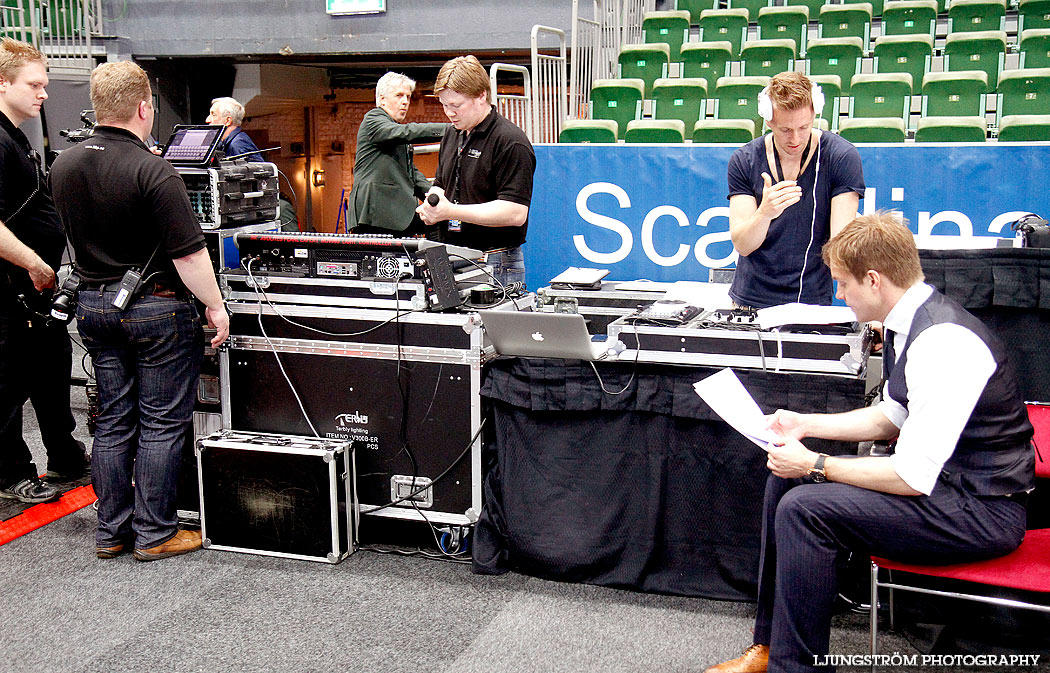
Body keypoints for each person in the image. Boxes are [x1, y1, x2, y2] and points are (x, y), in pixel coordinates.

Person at [705, 212, 1034, 673]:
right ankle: (770, 646)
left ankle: (796, 668)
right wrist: (805, 423)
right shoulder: (911, 320)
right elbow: (891, 417)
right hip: (948, 490)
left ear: (874, 280)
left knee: (804, 506)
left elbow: (911, 477)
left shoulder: (942, 344)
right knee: (786, 487)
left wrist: (815, 464)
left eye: (843, 284)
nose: (840, 295)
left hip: (981, 511)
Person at [50, 61, 230, 561]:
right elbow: (190, 255)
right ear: (144, 107)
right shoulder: (154, 168)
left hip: (93, 307)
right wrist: (216, 307)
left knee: (111, 422)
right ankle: (154, 533)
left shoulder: (63, 164)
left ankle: (112, 532)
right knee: (161, 424)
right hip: (156, 310)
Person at [0, 37, 88, 505]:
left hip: (32, 289)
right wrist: (34, 262)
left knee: (49, 370)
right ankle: (11, 472)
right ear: (2, 82)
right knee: (8, 384)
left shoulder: (16, 137)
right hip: (13, 286)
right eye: (34, 85)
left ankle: (65, 456)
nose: (44, 95)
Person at [727, 72, 865, 309]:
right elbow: (743, 245)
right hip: (749, 300)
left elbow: (841, 244)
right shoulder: (744, 159)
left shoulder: (841, 157)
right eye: (785, 130)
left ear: (815, 113)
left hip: (811, 301)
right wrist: (765, 213)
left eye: (804, 127)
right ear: (768, 120)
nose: (796, 138)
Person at [417, 55, 536, 286]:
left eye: (456, 105)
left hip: (495, 260)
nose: (449, 113)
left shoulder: (511, 142)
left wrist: (451, 211)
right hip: (452, 255)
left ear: (482, 95)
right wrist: (433, 206)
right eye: (444, 105)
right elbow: (441, 184)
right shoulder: (453, 134)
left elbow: (515, 213)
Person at [347, 72, 447, 236]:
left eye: (408, 97)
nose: (405, 102)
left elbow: (411, 174)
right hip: (377, 213)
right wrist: (450, 129)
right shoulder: (374, 119)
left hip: (393, 212)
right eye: (399, 95)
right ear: (382, 99)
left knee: (440, 222)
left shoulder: (392, 129)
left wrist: (434, 196)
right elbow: (406, 132)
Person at [206, 96, 263, 162]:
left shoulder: (237, 144)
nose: (207, 120)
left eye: (213, 115)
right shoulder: (231, 142)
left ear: (227, 120)